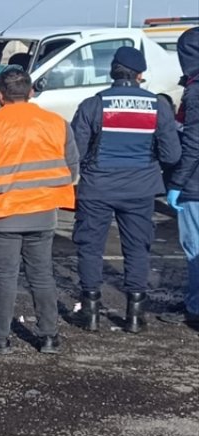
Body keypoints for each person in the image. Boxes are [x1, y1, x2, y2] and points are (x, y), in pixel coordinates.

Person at [0, 68, 78, 354]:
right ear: (31, 92)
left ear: (0, 96)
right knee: (42, 275)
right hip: (43, 212)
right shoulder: (57, 123)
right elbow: (72, 169)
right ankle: (49, 337)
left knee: (5, 277)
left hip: (2, 214)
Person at [69, 46, 180, 333]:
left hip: (97, 188)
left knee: (90, 248)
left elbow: (75, 152)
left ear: (112, 72)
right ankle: (134, 315)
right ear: (140, 75)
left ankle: (91, 312)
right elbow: (171, 155)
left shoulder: (93, 104)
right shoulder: (158, 106)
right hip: (140, 189)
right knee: (137, 249)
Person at [164, 27, 199, 331]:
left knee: (195, 247)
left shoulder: (197, 89)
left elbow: (194, 143)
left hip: (195, 185)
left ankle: (195, 307)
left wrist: (177, 184)